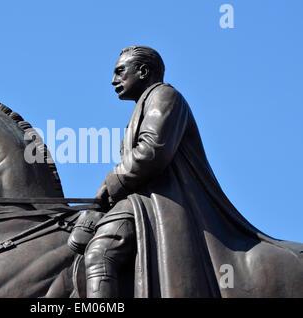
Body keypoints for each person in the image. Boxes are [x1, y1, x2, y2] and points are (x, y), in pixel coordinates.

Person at [77, 45, 303, 298]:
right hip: (143, 200)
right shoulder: (142, 106)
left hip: (161, 200)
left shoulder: (164, 96)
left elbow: (152, 152)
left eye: (120, 72)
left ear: (142, 71)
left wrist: (108, 185)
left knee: (100, 252)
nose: (113, 80)